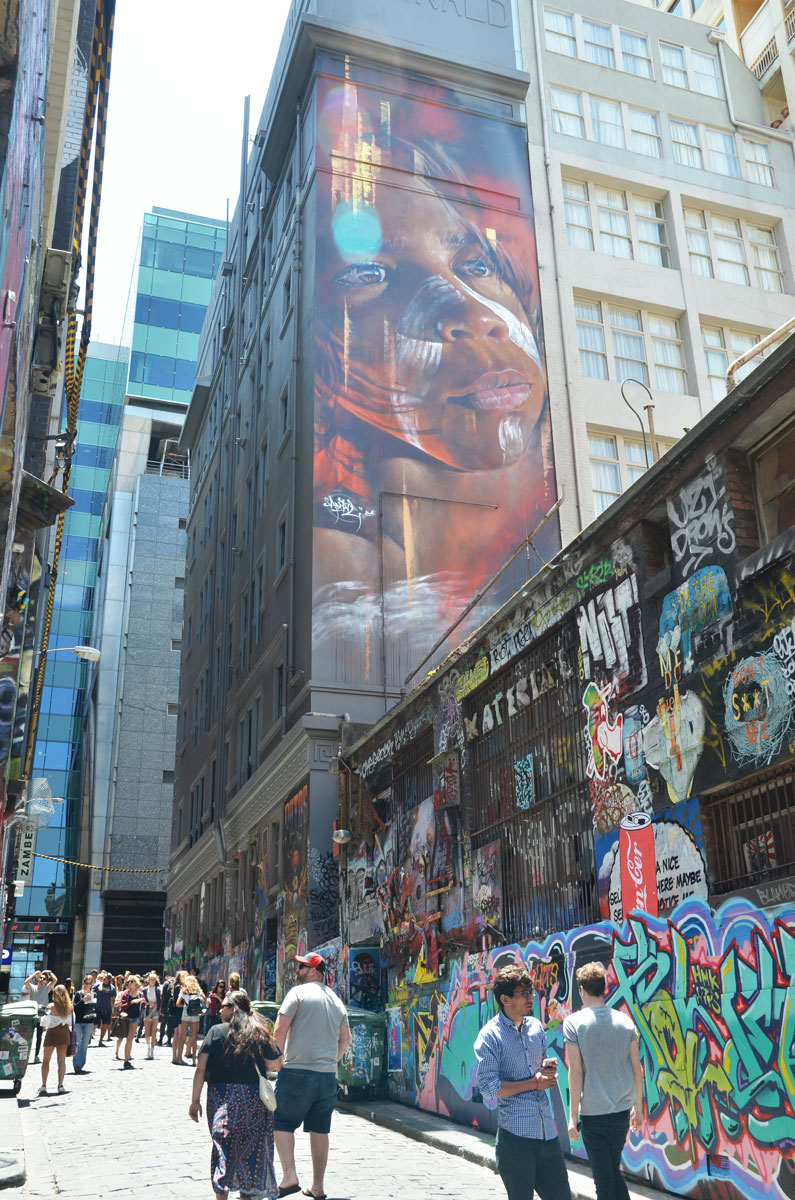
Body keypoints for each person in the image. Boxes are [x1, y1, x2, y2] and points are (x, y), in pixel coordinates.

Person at [312, 77, 558, 684]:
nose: (475, 315)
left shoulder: (548, 520)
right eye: (369, 274)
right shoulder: (343, 585)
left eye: (476, 264)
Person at [474, 964, 572, 1200]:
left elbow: (539, 1071)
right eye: (524, 994)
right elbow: (488, 1087)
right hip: (516, 1140)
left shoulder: (536, 1027)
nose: (531, 998)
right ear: (505, 999)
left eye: (531, 992)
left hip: (547, 1135)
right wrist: (533, 1083)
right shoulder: (490, 1035)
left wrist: (547, 1073)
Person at [272, 953, 351, 1200]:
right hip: (327, 1076)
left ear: (315, 970)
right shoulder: (336, 1000)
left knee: (282, 1121)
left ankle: (290, 1176)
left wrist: (277, 1060)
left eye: (302, 966)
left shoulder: (297, 994)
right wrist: (331, 1061)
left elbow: (279, 1029)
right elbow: (345, 1038)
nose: (297, 970)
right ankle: (317, 1187)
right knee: (320, 1128)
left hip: (297, 1071)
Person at [190, 990, 282, 1199]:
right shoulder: (258, 1031)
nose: (221, 1009)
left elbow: (200, 1069)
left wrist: (195, 1101)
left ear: (232, 1008)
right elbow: (275, 1064)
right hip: (253, 1102)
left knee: (223, 1151)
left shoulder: (215, 1032)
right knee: (251, 1154)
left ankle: (221, 1194)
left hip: (221, 1099)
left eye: (223, 1006)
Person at [564, 962, 643, 1200]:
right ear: (603, 989)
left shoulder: (574, 1023)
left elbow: (576, 1072)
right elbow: (637, 1069)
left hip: (593, 1115)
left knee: (604, 1179)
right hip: (621, 1112)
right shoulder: (625, 1021)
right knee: (611, 1171)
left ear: (581, 990)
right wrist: (638, 1107)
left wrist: (572, 1116)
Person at [38, 984, 73, 1096]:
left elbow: (44, 1022)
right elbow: (72, 1022)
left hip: (52, 1032)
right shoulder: (70, 1007)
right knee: (61, 1061)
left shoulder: (51, 1006)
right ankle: (60, 1085)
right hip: (64, 1032)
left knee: (46, 1060)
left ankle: (44, 1085)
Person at [22, 968, 57, 1063]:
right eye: (41, 978)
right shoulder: (33, 987)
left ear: (46, 981)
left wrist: (49, 972)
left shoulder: (47, 988)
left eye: (44, 979)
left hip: (42, 1016)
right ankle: (25, 1055)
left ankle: (36, 1055)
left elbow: (55, 980)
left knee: (39, 1037)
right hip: (32, 1015)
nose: (42, 979)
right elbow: (26, 982)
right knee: (28, 1037)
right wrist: (35, 974)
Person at [118, 975, 144, 1069]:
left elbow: (143, 1005)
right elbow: (123, 1005)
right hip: (127, 1017)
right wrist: (132, 1002)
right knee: (127, 1038)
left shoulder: (140, 994)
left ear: (136, 983)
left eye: (131, 981)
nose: (129, 983)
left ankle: (127, 1060)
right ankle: (126, 1060)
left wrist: (142, 1002)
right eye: (129, 981)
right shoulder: (126, 993)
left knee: (130, 1039)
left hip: (136, 1018)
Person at [178, 973, 206, 1065]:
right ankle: (194, 1060)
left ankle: (179, 1058)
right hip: (195, 1013)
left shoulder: (184, 990)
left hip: (186, 1011)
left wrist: (186, 1005)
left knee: (182, 1036)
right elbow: (204, 998)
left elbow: (178, 1003)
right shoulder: (198, 990)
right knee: (194, 1037)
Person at [72, 976, 97, 1074]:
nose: (87, 985)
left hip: (88, 1022)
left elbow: (95, 1008)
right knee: (77, 1043)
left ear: (92, 984)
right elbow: (75, 1007)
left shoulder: (94, 994)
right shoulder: (78, 994)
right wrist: (83, 1000)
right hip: (78, 1021)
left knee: (85, 1044)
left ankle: (81, 1063)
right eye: (86, 983)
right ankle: (76, 1065)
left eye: (89, 983)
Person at [92, 971, 116, 1045]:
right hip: (97, 1007)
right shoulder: (97, 985)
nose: (105, 979)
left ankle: (100, 1041)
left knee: (105, 1025)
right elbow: (92, 993)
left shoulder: (112, 988)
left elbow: (113, 999)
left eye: (107, 978)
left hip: (107, 1009)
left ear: (109, 979)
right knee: (94, 1024)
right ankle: (89, 1037)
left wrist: (113, 1009)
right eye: (104, 977)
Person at [142, 971, 162, 1059]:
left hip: (155, 1011)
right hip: (147, 1010)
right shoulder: (145, 989)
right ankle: (148, 1047)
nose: (153, 981)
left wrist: (151, 1013)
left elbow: (158, 1003)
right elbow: (143, 1001)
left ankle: (152, 1051)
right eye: (151, 979)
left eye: (154, 979)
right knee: (147, 1033)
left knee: (153, 1031)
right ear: (148, 980)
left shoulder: (158, 989)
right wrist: (149, 1003)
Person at [171, 969, 188, 1063]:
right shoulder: (180, 987)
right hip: (180, 1012)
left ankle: (175, 1057)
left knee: (176, 1035)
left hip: (176, 1013)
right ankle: (179, 1058)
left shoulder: (175, 986)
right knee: (181, 1035)